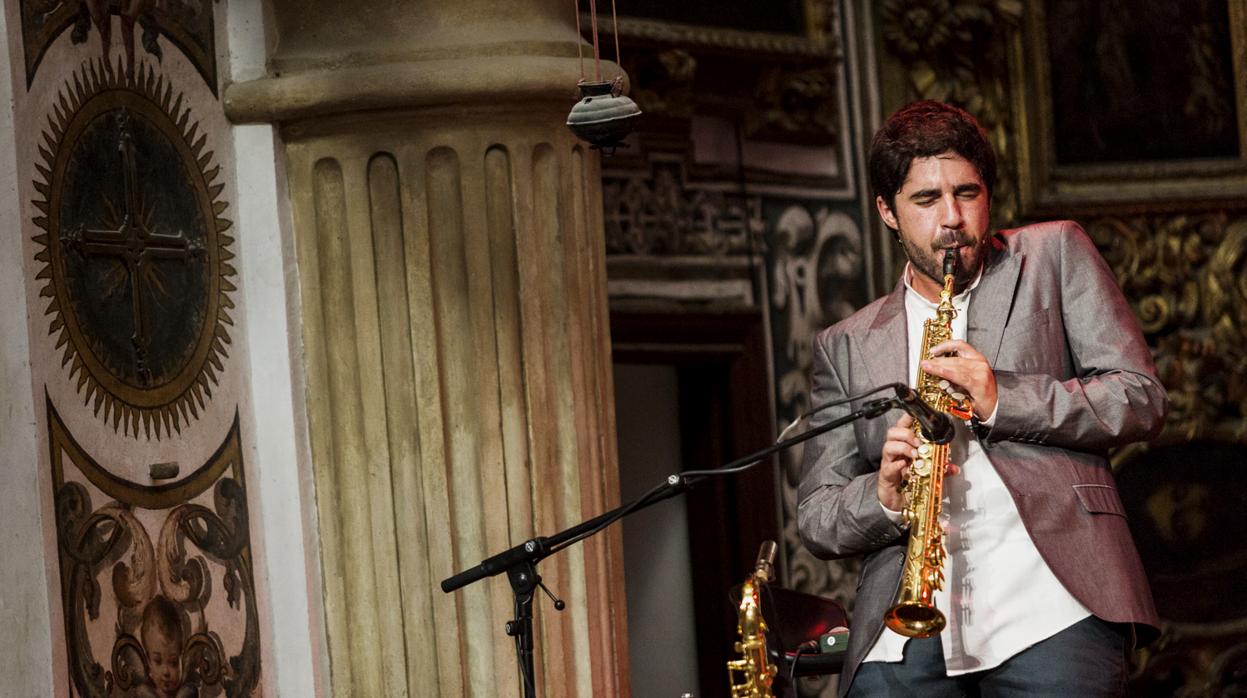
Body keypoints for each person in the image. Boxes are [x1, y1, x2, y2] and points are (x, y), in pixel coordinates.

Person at [797, 100, 1166, 697]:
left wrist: (1001, 399)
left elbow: (1140, 397)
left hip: (1052, 608)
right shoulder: (845, 344)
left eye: (967, 193)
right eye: (925, 200)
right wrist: (884, 497)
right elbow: (816, 514)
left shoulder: (1053, 254)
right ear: (886, 211)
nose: (952, 218)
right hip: (906, 638)